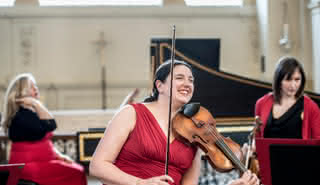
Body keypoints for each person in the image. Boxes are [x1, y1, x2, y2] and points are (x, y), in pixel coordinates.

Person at [89, 60, 259, 185]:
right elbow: (97, 166)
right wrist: (141, 183)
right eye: (179, 78)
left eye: (191, 80)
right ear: (159, 85)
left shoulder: (194, 133)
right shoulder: (131, 113)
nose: (187, 84)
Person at [0, 73, 87, 185]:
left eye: (35, 85)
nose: (36, 89)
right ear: (22, 92)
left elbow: (44, 137)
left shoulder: (30, 112)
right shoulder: (20, 116)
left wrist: (59, 156)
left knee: (76, 169)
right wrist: (36, 103)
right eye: (31, 87)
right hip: (29, 165)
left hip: (42, 162)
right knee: (77, 172)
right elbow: (51, 124)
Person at [255, 56, 320, 139]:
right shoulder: (261, 103)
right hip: (267, 152)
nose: (293, 85)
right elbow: (257, 138)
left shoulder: (311, 107)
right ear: (279, 80)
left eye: (297, 79)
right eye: (288, 80)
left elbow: (318, 141)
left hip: (299, 152)